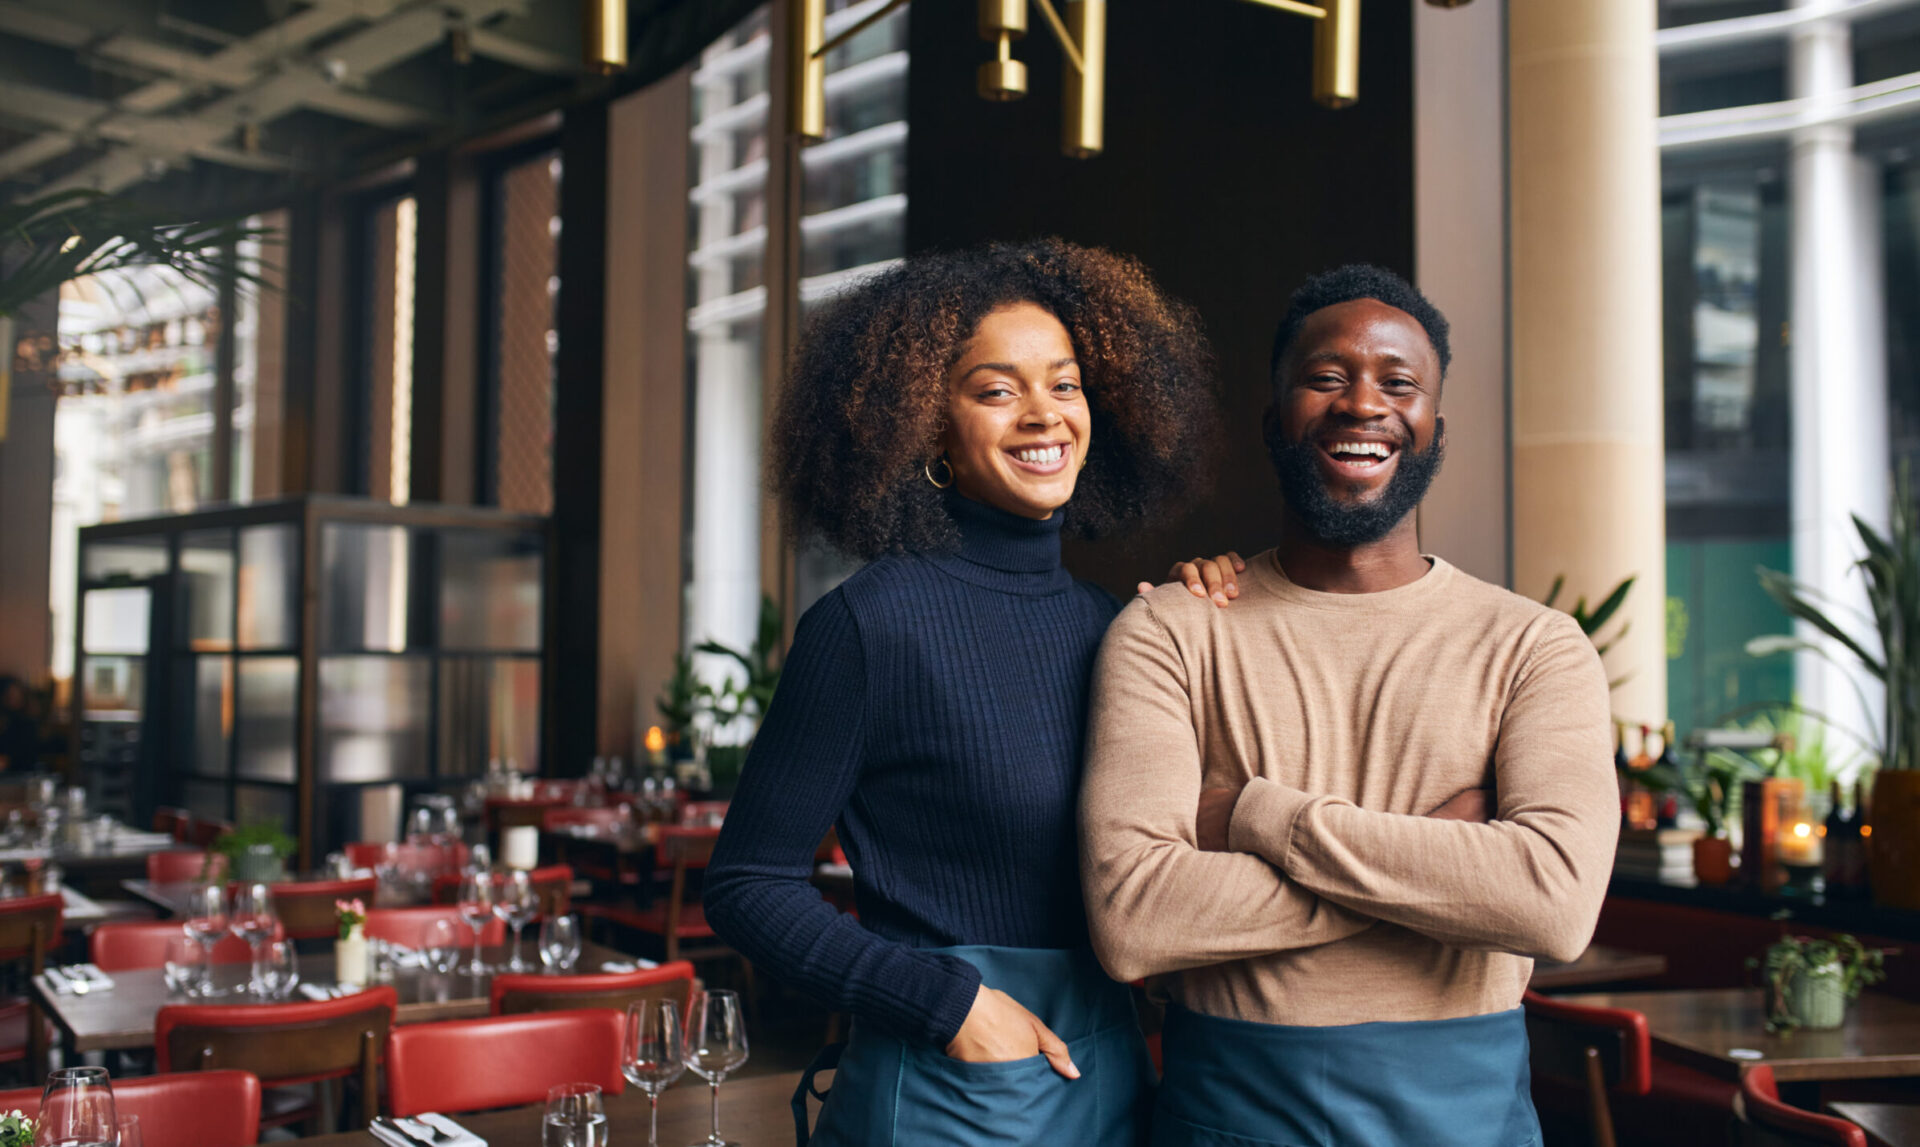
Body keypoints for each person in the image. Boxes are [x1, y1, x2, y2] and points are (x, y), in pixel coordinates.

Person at [703, 237, 1231, 1146]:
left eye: (1064, 386)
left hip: (1114, 1076)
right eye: (997, 389)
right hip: (952, 1085)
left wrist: (1215, 619)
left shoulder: (1118, 624)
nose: (1044, 416)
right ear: (926, 424)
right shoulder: (871, 625)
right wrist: (949, 1006)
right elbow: (748, 885)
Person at [1079, 264, 1618, 1147]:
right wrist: (1446, 861)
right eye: (1326, 377)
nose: (1362, 403)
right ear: (1274, 420)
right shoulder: (1171, 631)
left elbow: (1553, 906)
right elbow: (1136, 921)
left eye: (1398, 383)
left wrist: (1260, 815)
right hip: (1232, 1116)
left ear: (1434, 431)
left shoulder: (1536, 646)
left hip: (1467, 1119)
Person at [0, 678, 39, 774]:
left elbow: (28, 756)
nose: (13, 698)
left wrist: (7, 761)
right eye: (9, 695)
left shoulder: (27, 724)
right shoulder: (5, 720)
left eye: (15, 694)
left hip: (20, 774)